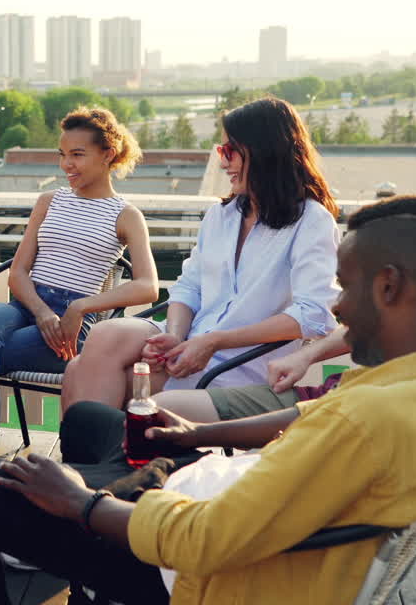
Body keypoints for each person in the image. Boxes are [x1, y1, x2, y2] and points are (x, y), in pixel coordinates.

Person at [0, 195, 416, 605]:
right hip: (226, 503)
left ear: (389, 286)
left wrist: (82, 505)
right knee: (94, 418)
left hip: (200, 572)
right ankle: (92, 566)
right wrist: (193, 438)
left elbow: (205, 542)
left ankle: (83, 555)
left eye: (347, 284)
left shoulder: (367, 421)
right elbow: (304, 416)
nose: (336, 306)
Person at [160, 116, 416, 435]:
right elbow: (381, 327)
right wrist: (308, 354)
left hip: (363, 428)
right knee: (162, 412)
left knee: (167, 416)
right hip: (347, 404)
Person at [60, 96, 341, 415]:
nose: (223, 162)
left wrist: (214, 342)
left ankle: (91, 461)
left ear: (266, 152)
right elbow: (188, 288)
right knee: (104, 332)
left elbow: (313, 313)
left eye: (230, 151)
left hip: (239, 361)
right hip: (189, 341)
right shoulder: (221, 216)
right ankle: (96, 460)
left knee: (79, 370)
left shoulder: (312, 222)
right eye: (222, 151)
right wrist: (176, 337)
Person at [0, 107, 159, 455]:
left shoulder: (126, 215)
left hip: (71, 328)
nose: (66, 165)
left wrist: (80, 306)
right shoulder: (50, 201)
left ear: (107, 154)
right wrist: (42, 311)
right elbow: (18, 273)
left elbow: (148, 285)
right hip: (28, 305)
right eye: (63, 155)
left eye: (78, 155)